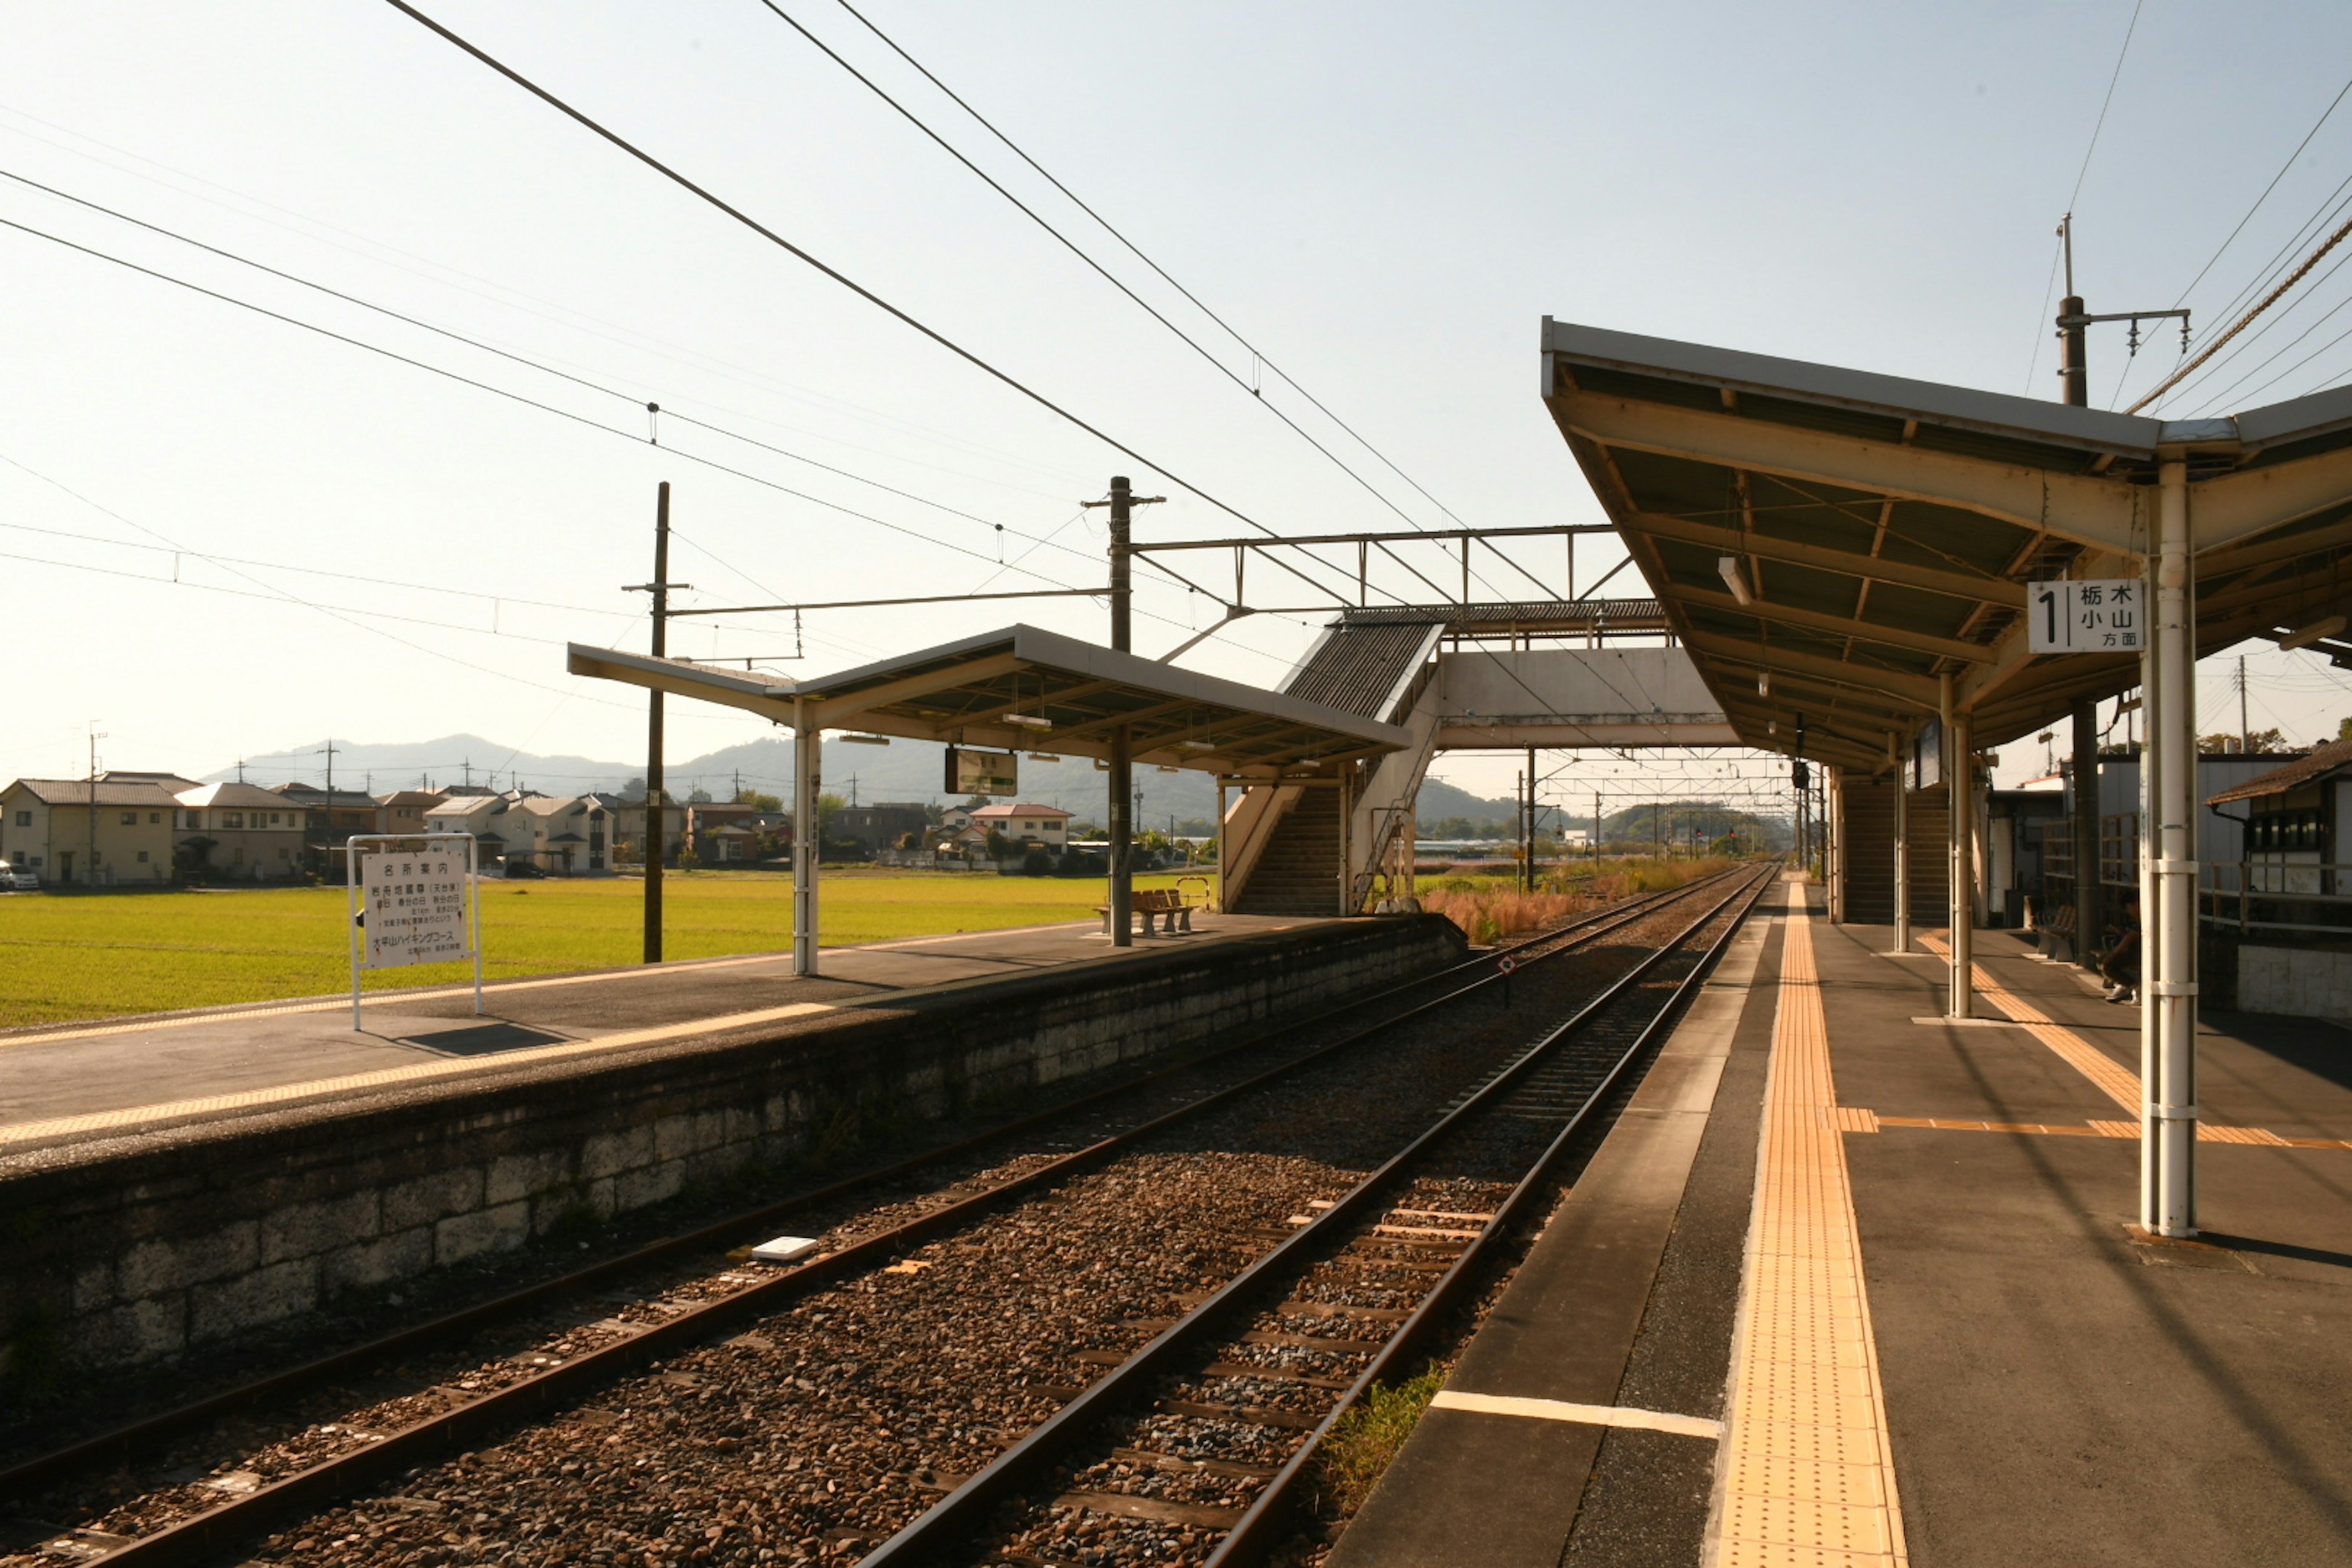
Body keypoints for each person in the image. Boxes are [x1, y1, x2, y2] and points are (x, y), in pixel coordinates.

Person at [2098, 894, 2141, 1004]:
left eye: (2129, 908)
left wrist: (2115, 954)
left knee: (2108, 964)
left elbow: (2132, 936)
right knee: (2102, 960)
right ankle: (2125, 985)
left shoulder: (2144, 917)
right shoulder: (2138, 919)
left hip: (2140, 953)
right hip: (2137, 951)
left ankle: (2131, 986)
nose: (2129, 912)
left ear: (2136, 904)